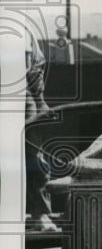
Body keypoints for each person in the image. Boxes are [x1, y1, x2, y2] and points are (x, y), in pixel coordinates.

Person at [24, 30, 58, 232]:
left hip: (24, 98)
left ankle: (41, 214)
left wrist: (40, 101)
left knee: (35, 158)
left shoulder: (23, 28)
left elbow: (36, 65)